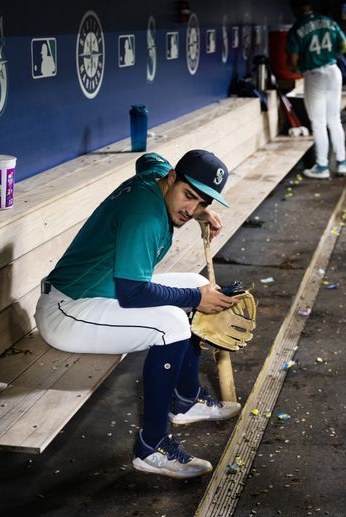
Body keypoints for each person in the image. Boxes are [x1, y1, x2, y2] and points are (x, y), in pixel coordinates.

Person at [34, 151, 242, 479]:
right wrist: (195, 300)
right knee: (173, 322)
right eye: (189, 196)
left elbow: (149, 158)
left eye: (203, 203)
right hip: (68, 310)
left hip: (103, 292)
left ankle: (185, 401)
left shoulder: (158, 177)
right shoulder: (145, 216)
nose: (192, 209)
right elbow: (134, 294)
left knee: (197, 283)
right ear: (172, 178)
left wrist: (200, 213)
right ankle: (151, 446)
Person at [287, 0, 346, 179]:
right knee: (334, 120)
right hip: (333, 71)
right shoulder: (328, 21)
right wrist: (329, 56)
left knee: (318, 122)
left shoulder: (298, 27)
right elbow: (345, 46)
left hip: (315, 75)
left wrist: (299, 67)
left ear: (297, 6)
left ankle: (322, 166)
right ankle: (341, 163)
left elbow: (292, 62)